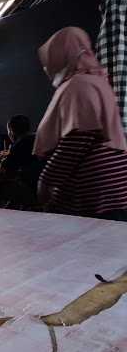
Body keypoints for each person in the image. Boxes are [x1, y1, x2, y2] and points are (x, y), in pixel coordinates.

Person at [34, 26, 127, 220]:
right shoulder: (95, 80)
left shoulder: (79, 85)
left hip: (97, 199)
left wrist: (46, 181)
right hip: (111, 194)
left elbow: (78, 137)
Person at [0, 115, 43, 209]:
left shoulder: (19, 144)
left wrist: (0, 161)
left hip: (29, 187)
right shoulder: (38, 138)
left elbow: (5, 170)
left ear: (11, 132)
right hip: (46, 184)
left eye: (8, 130)